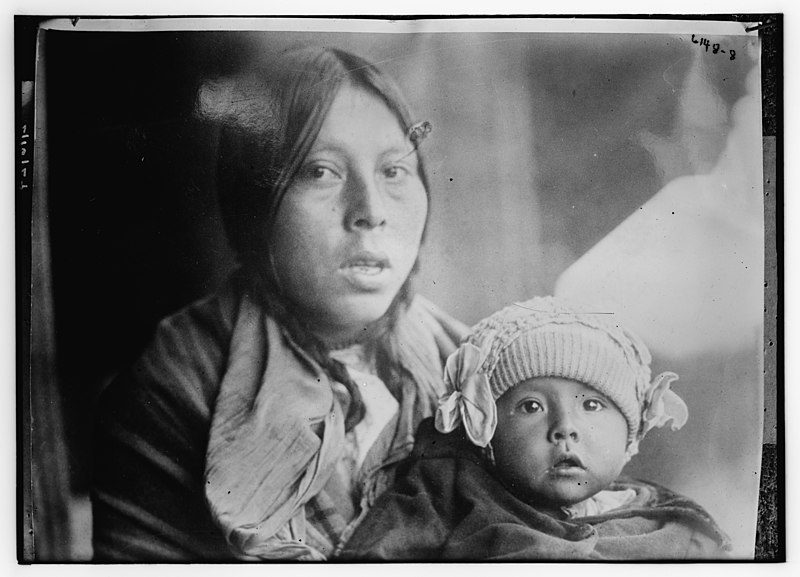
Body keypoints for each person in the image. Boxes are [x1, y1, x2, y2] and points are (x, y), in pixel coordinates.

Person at [90, 46, 467, 561]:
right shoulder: (178, 384)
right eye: (320, 171)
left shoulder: (468, 366)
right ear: (255, 202)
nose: (370, 211)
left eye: (394, 171)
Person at [338, 296, 731, 560]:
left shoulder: (669, 523)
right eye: (531, 406)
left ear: (632, 431)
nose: (564, 429)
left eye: (592, 405)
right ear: (485, 430)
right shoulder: (451, 499)